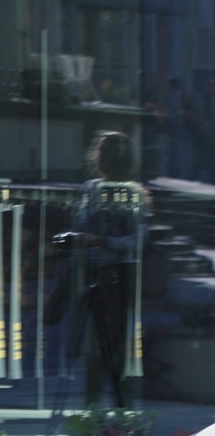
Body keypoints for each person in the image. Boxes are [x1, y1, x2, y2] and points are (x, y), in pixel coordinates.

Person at [58, 131, 150, 406]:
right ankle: (98, 410)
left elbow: (138, 241)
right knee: (96, 348)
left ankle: (119, 409)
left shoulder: (133, 194)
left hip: (118, 277)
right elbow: (81, 224)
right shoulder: (92, 189)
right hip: (93, 275)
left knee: (112, 347)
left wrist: (98, 240)